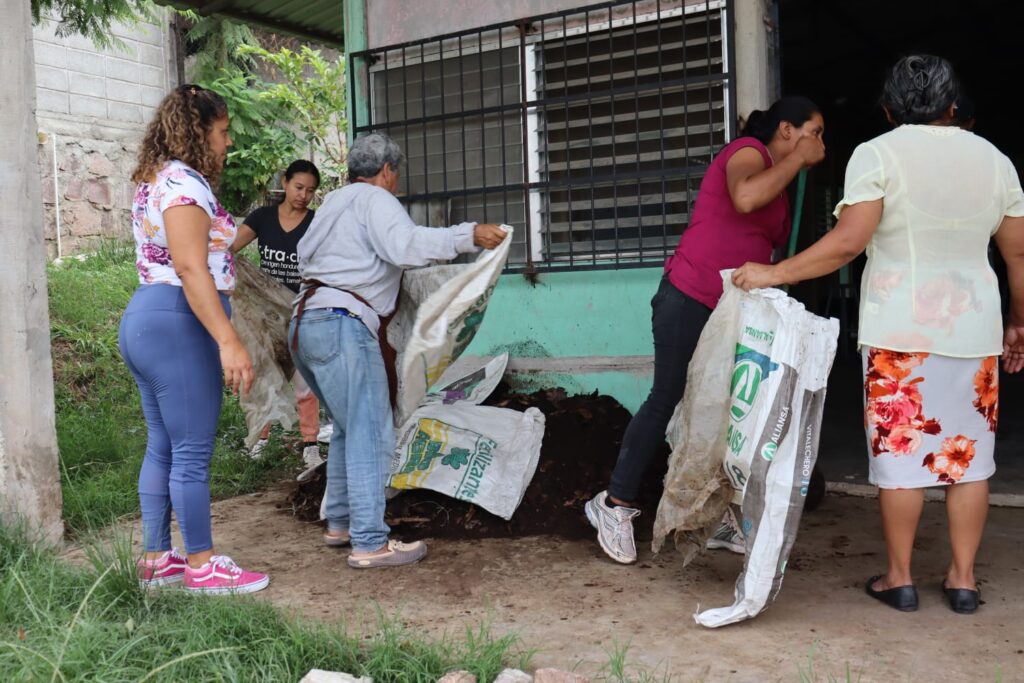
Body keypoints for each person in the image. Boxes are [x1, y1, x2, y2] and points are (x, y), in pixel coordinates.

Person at [732, 55, 1024, 615]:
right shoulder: (996, 160)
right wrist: (1017, 322)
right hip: (975, 331)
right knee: (968, 460)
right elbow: (1016, 256)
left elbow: (848, 243)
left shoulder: (878, 154)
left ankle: (900, 578)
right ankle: (963, 581)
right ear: (954, 106)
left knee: (902, 457)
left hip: (900, 337)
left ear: (890, 109)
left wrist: (775, 272)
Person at [584, 97, 827, 564]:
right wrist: (798, 159)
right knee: (667, 395)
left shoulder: (782, 185)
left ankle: (712, 518)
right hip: (689, 294)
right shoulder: (748, 151)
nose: (820, 144)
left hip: (732, 313)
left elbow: (765, 243)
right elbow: (744, 198)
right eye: (814, 131)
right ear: (787, 129)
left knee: (730, 410)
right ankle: (613, 505)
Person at [289, 132, 507, 568]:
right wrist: (468, 236)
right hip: (342, 325)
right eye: (396, 175)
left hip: (304, 323)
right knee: (371, 430)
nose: (396, 183)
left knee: (351, 428)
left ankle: (341, 522)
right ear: (386, 171)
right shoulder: (375, 200)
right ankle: (370, 542)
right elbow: (405, 246)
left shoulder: (332, 204)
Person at [120, 84, 269, 594]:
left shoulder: (152, 179)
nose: (228, 143)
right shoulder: (184, 183)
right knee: (190, 450)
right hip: (179, 320)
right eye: (223, 132)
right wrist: (229, 340)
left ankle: (159, 560)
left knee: (163, 445)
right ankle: (203, 565)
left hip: (149, 319)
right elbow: (189, 265)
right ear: (198, 130)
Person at [232, 160, 325, 477]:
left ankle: (310, 446)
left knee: (304, 381)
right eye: (299, 187)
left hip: (303, 310)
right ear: (284, 183)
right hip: (267, 314)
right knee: (262, 375)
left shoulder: (317, 223)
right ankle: (258, 441)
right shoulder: (263, 218)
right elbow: (230, 248)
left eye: (310, 190)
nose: (303, 195)